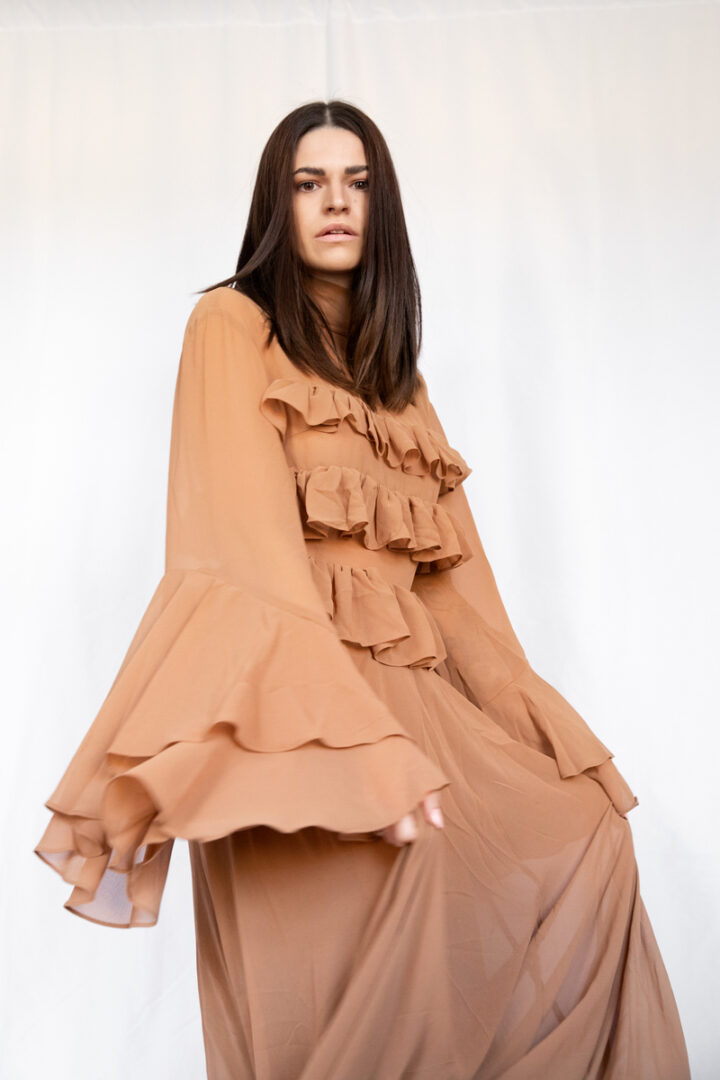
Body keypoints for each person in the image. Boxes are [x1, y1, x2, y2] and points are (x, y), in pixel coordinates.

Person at [34, 99, 691, 1079]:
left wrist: (544, 729)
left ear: (383, 207)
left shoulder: (401, 384)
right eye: (309, 183)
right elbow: (242, 551)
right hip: (288, 720)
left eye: (357, 183)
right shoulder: (231, 323)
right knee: (316, 999)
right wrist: (357, 754)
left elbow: (458, 594)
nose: (336, 202)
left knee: (586, 834)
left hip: (418, 716)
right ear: (278, 203)